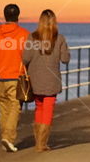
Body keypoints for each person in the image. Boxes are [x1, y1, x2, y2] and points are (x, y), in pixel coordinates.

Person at [22, 9, 70, 152]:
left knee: (39, 107)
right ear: (54, 22)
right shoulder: (60, 38)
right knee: (48, 109)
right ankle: (41, 144)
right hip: (51, 80)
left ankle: (39, 141)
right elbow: (65, 59)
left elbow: (25, 58)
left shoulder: (32, 37)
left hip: (35, 79)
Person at [0, 3, 30, 153]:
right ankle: (9, 139)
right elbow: (28, 56)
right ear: (18, 16)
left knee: (3, 109)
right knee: (15, 107)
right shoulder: (24, 34)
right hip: (16, 76)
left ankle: (5, 138)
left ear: (5, 16)